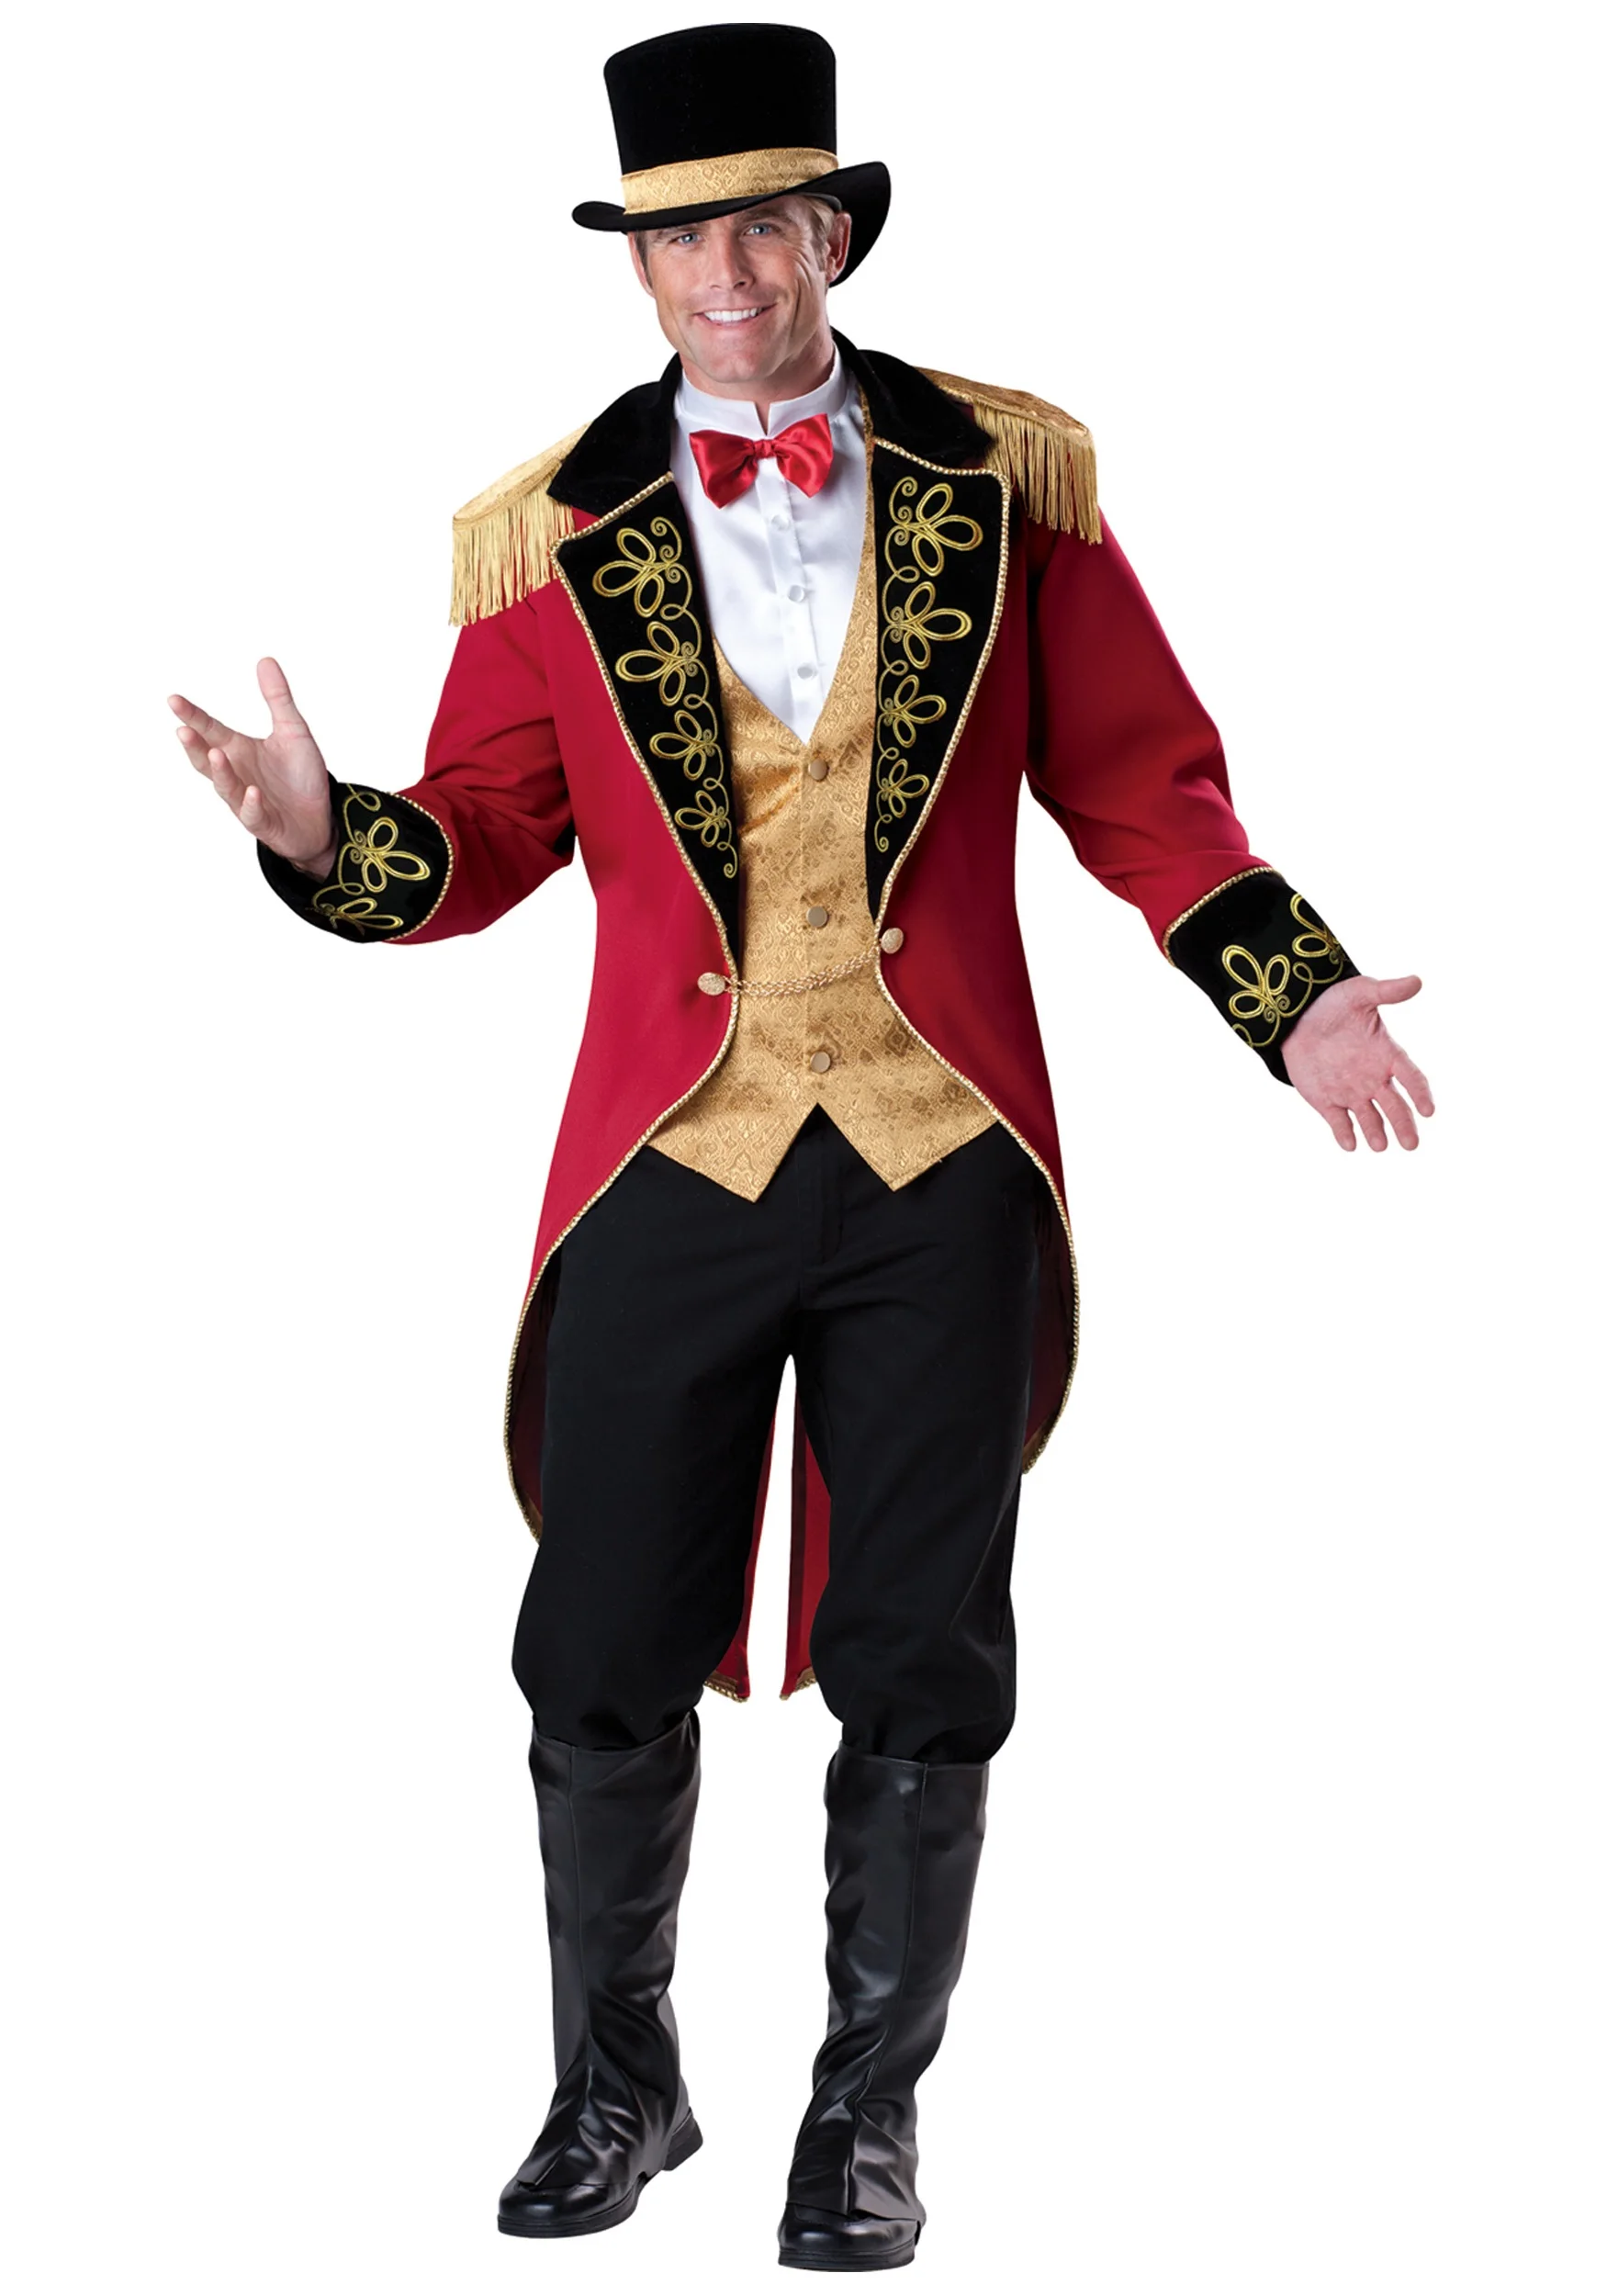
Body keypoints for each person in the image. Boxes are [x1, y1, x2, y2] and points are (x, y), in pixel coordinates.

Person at [167, 23, 1432, 2274]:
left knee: (923, 1645)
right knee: (596, 1632)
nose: (728, 273)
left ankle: (861, 2117)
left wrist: (1294, 990)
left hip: (941, 1156)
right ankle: (616, 2082)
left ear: (828, 233)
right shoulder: (548, 530)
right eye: (683, 238)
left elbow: (1144, 786)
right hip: (669, 1156)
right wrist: (321, 833)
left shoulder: (1000, 483)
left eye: (764, 225)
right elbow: (483, 836)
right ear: (638, 266)